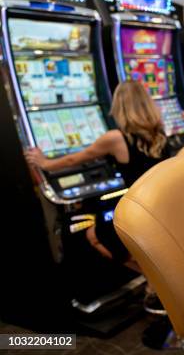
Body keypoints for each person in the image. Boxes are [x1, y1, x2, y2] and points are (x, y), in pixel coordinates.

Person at [25, 82, 170, 313]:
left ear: (119, 106)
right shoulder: (159, 132)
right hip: (162, 211)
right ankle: (161, 280)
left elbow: (74, 160)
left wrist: (45, 163)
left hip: (142, 216)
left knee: (94, 233)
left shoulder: (116, 137)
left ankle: (161, 282)